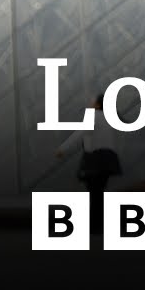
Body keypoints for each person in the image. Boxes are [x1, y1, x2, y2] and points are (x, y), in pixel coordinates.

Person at [55, 94, 122, 234]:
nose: (89, 102)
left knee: (93, 193)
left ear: (98, 105)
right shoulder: (109, 119)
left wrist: (63, 148)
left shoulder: (93, 116)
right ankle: (100, 224)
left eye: (92, 101)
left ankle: (94, 225)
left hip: (95, 159)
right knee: (99, 192)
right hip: (109, 159)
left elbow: (79, 133)